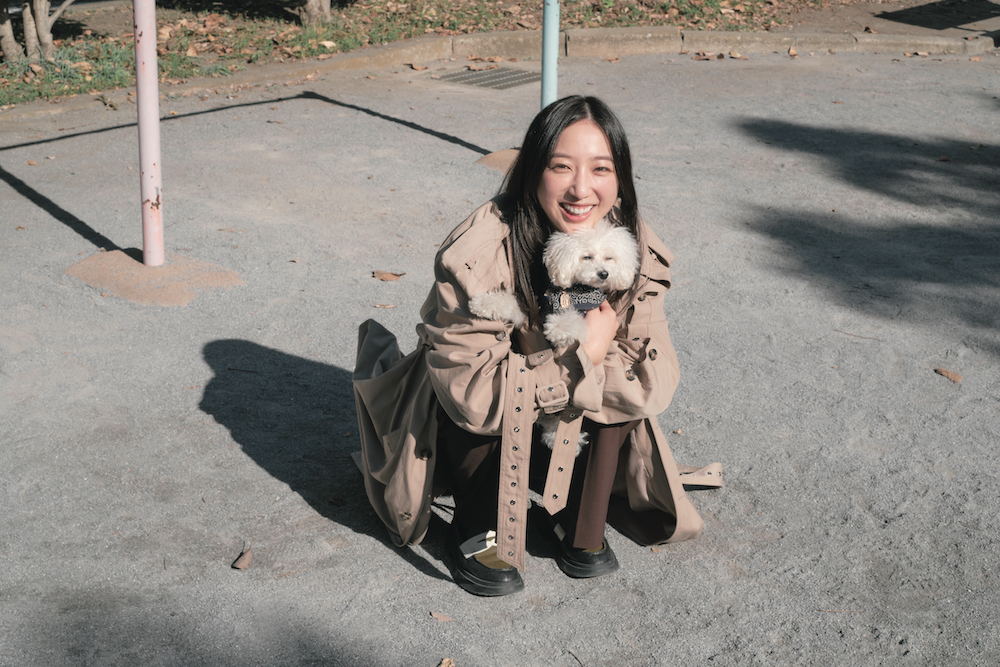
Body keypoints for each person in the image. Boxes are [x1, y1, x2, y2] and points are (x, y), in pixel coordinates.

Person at [353, 95, 721, 597]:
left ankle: (579, 520)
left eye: (601, 169)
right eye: (561, 166)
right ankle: (475, 524)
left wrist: (588, 364)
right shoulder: (478, 252)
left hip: (558, 415)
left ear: (620, 178)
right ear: (533, 171)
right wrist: (584, 358)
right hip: (475, 415)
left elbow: (650, 377)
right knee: (490, 389)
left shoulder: (632, 247)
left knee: (622, 389)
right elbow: (472, 393)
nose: (581, 189)